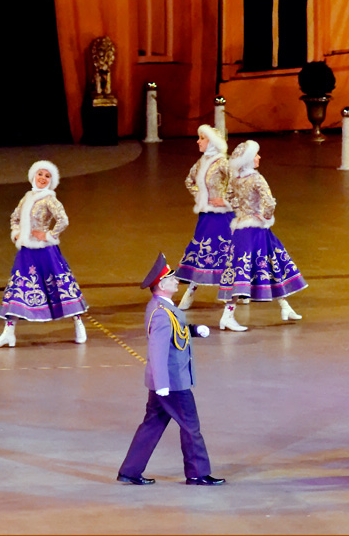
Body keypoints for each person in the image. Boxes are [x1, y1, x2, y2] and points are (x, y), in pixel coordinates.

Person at [117, 253, 225, 487]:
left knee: (152, 424)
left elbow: (178, 331)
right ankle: (197, 473)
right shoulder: (161, 314)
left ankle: (131, 470)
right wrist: (163, 383)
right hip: (173, 383)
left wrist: (195, 330)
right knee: (191, 426)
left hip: (165, 383)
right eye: (172, 279)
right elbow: (157, 350)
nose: (177, 282)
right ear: (161, 285)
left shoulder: (163, 308)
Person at [0, 161, 88, 348]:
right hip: (27, 251)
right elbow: (15, 217)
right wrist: (16, 232)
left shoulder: (49, 199)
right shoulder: (27, 198)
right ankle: (8, 333)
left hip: (45, 251)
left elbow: (63, 220)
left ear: (51, 181)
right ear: (33, 176)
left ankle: (78, 324)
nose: (42, 178)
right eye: (40, 174)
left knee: (61, 285)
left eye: (47, 176)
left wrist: (48, 235)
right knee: (18, 288)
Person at [216, 140, 306, 330]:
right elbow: (269, 202)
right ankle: (227, 316)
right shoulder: (256, 178)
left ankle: (285, 306)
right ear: (248, 159)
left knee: (254, 267)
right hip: (256, 230)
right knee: (264, 265)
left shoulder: (235, 179)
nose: (259, 157)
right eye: (256, 155)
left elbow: (230, 198)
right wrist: (265, 216)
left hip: (241, 228)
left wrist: (242, 213)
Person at [175, 125, 236, 322]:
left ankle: (236, 289)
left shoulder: (224, 164)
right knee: (201, 249)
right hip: (206, 216)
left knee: (227, 252)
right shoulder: (201, 163)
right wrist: (202, 197)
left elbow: (239, 183)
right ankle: (192, 288)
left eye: (202, 138)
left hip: (223, 216)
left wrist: (225, 199)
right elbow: (189, 181)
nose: (198, 142)